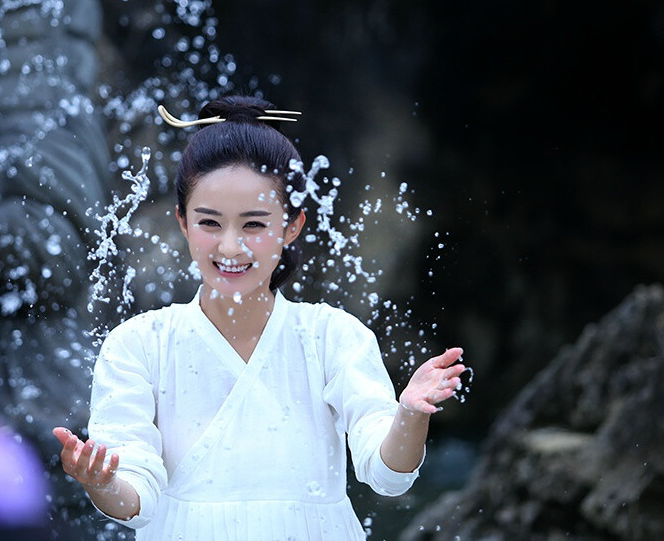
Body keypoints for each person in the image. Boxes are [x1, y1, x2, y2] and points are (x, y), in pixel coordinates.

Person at [53, 95, 465, 540]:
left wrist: (409, 416)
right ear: (182, 222)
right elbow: (137, 498)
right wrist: (102, 482)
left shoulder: (333, 337)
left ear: (292, 226)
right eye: (210, 223)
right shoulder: (137, 345)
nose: (230, 247)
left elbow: (387, 475)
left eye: (253, 224)